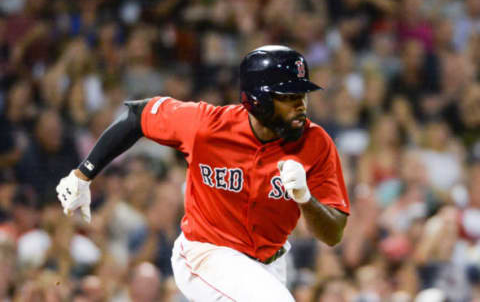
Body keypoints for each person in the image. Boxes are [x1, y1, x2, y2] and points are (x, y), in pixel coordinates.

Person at [56, 45, 350, 301]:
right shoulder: (206, 126)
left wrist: (304, 198)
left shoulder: (316, 142)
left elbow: (333, 233)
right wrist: (83, 175)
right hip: (206, 253)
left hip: (270, 263)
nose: (301, 105)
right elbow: (137, 116)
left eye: (303, 95)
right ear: (257, 99)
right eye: (289, 96)